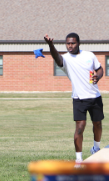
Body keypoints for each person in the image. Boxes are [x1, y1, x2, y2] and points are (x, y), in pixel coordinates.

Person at [44, 33, 104, 164]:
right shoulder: (65, 59)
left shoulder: (89, 55)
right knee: (80, 127)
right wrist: (50, 45)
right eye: (68, 43)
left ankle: (96, 148)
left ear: (79, 43)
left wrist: (97, 77)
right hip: (79, 98)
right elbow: (57, 57)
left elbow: (100, 69)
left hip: (95, 97)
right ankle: (79, 160)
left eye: (73, 43)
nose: (70, 46)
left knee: (98, 124)